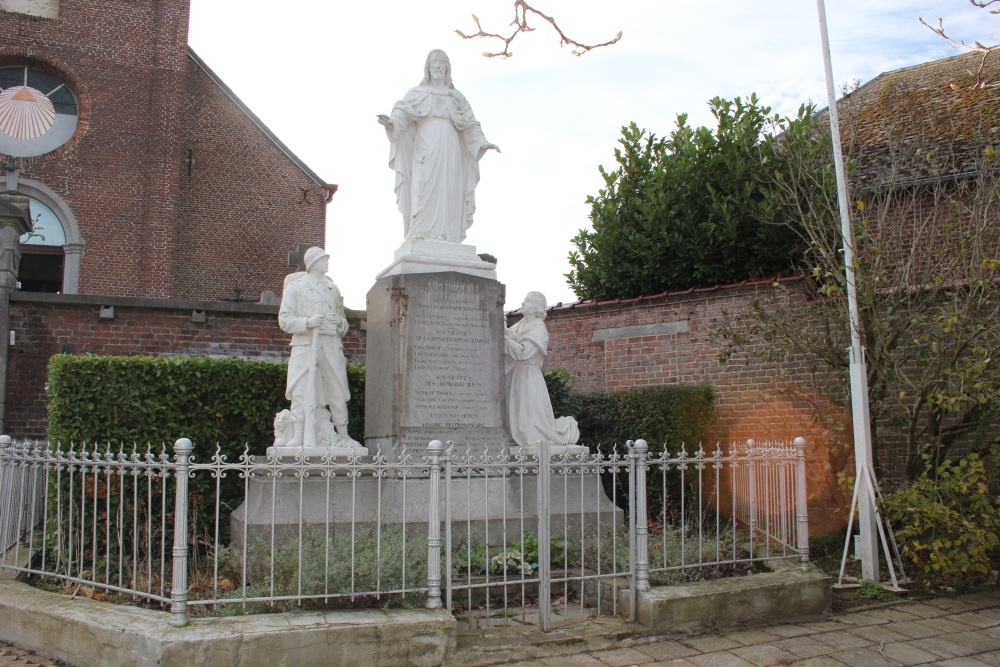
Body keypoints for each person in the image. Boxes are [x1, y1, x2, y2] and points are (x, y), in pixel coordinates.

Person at [377, 49, 500, 243]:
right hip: (425, 147)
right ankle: (420, 231)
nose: (438, 66)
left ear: (448, 68)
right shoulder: (417, 93)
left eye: (442, 63)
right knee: (422, 186)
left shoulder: (456, 97)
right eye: (434, 62)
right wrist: (392, 123)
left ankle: (448, 234)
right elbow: (402, 113)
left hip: (450, 148)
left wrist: (483, 143)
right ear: (427, 67)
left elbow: (470, 124)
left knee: (449, 188)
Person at [277, 246, 358, 448]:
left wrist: (339, 323)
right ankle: (298, 436)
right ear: (313, 264)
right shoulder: (295, 288)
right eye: (323, 259)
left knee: (337, 387)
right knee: (300, 389)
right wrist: (307, 322)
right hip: (305, 343)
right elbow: (285, 320)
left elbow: (344, 322)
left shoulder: (333, 289)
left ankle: (343, 434)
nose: (327, 262)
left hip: (330, 343)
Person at [504, 292, 580, 448]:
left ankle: (530, 439)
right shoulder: (520, 325)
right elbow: (508, 336)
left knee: (528, 413)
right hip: (514, 375)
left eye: (527, 301)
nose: (523, 302)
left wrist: (502, 336)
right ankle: (518, 437)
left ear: (537, 307)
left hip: (528, 376)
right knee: (516, 412)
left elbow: (523, 353)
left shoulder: (539, 330)